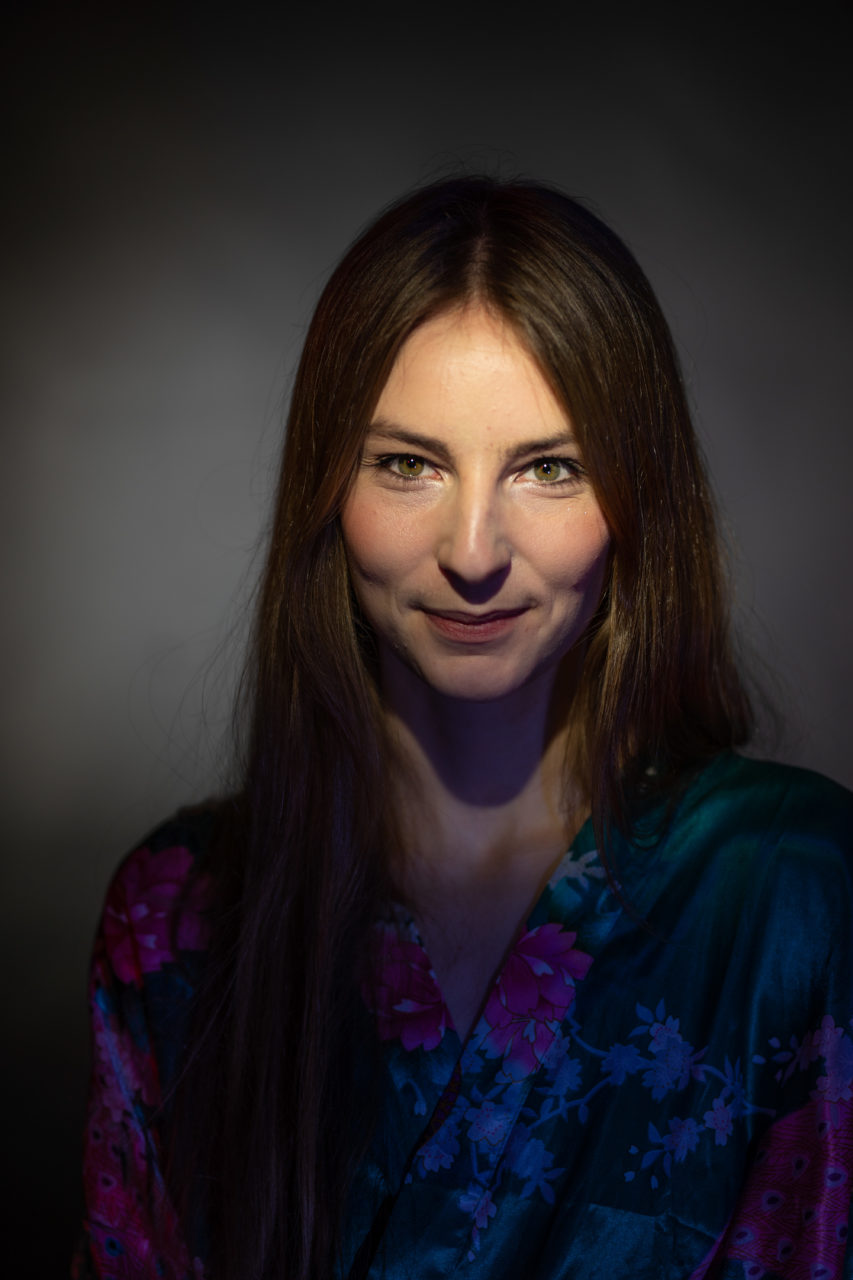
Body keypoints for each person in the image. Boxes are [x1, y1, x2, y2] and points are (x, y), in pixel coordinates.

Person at [72, 176, 853, 1280]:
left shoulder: (796, 891)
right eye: (409, 464)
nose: (473, 550)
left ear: (639, 500)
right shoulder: (178, 915)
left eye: (549, 468)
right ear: (324, 490)